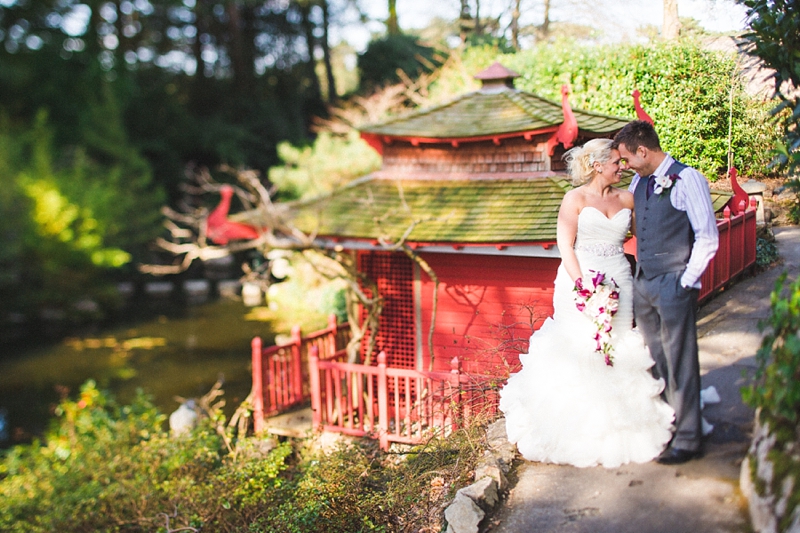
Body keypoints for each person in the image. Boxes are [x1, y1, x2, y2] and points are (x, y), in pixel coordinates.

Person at [498, 138, 674, 468]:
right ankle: (579, 425)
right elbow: (566, 246)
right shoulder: (574, 198)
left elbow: (643, 239)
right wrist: (584, 287)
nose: (622, 167)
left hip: (619, 277)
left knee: (617, 344)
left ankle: (622, 420)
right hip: (579, 279)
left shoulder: (628, 199)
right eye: (617, 163)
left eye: (623, 163)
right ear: (597, 166)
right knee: (581, 345)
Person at [612, 121, 719, 465]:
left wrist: (686, 280)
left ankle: (689, 438)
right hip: (645, 283)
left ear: (643, 151)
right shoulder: (637, 181)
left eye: (626, 158)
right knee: (656, 362)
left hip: (674, 283)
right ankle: (669, 426)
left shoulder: (688, 179)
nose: (624, 165)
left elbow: (707, 236)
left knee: (681, 360)